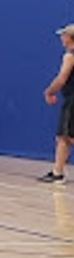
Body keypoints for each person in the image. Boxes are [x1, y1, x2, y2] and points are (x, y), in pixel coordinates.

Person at [39, 24, 74, 183]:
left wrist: (49, 91)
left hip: (72, 100)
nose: (61, 38)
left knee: (66, 136)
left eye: (63, 35)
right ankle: (57, 172)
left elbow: (62, 78)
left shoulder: (70, 56)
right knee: (63, 137)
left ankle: (58, 173)